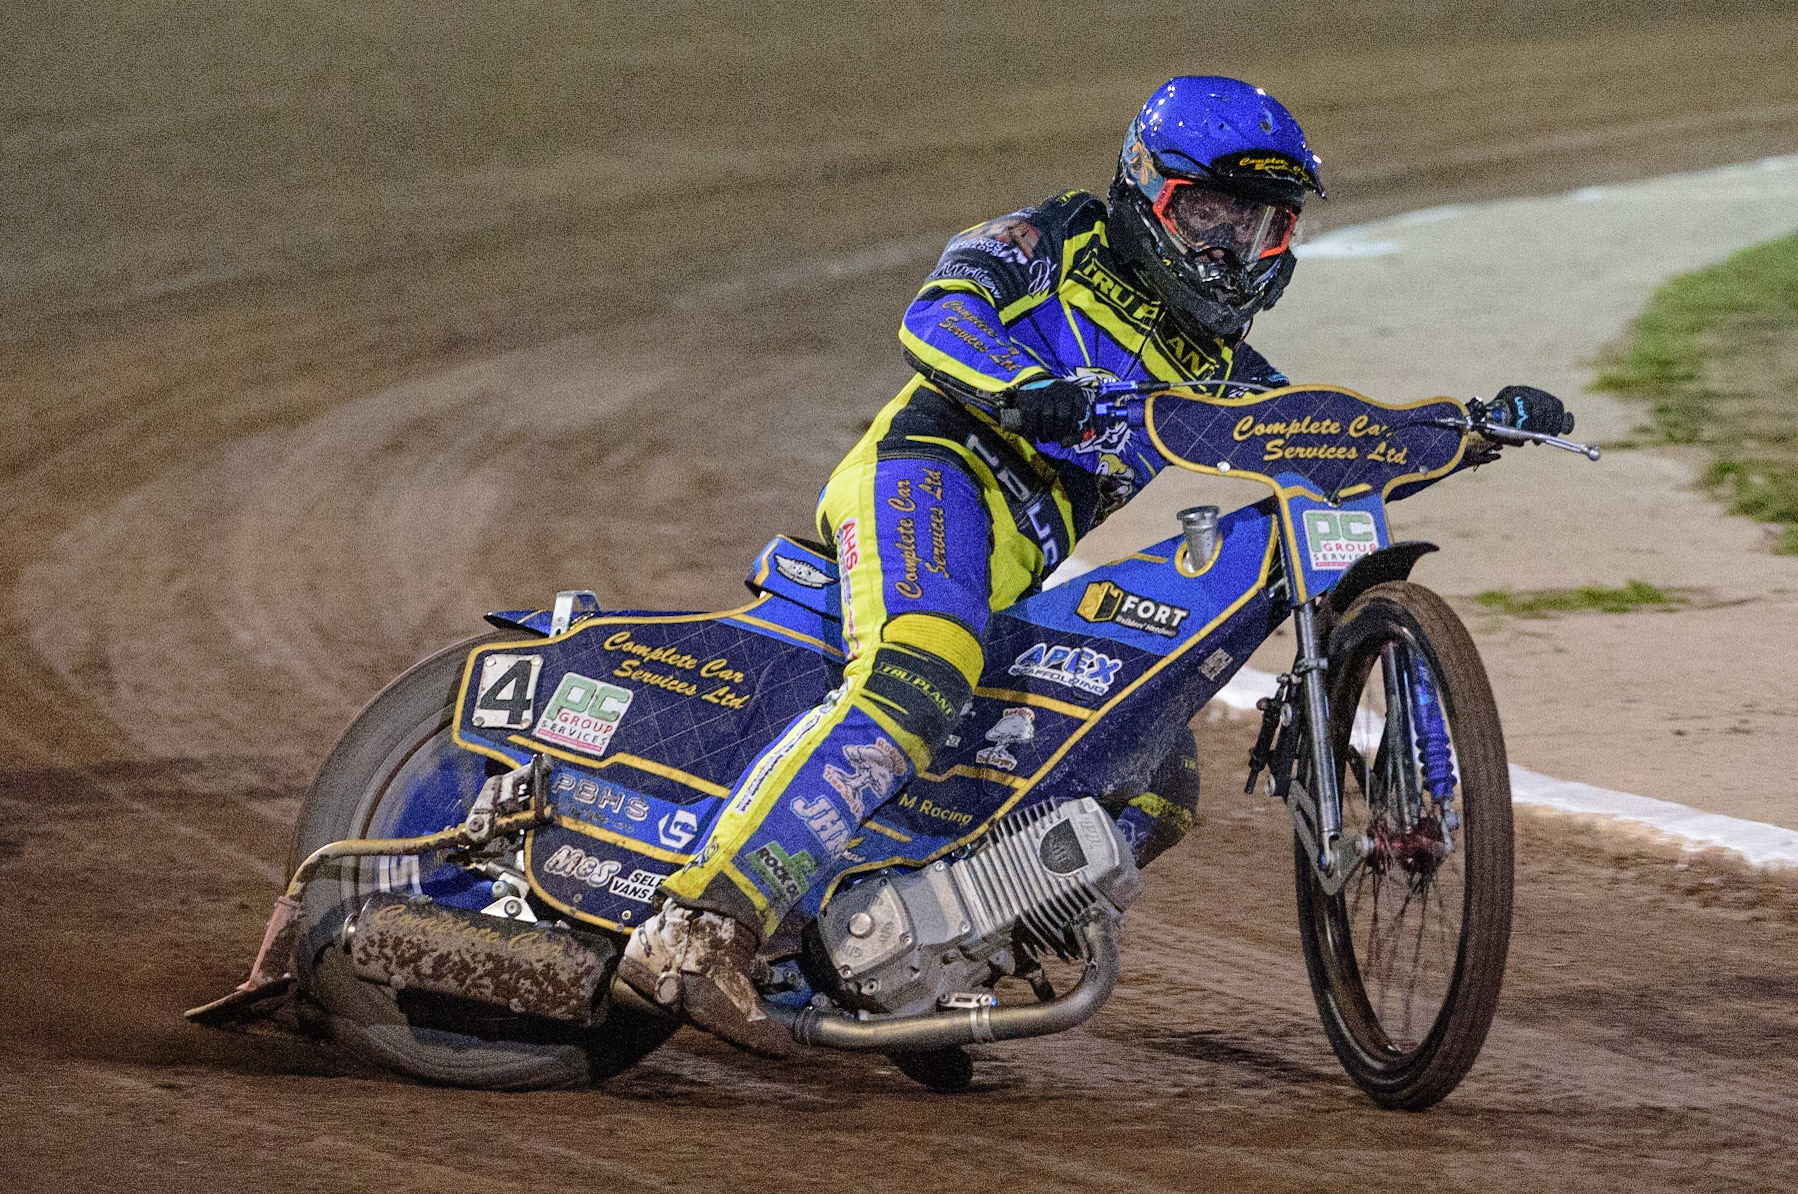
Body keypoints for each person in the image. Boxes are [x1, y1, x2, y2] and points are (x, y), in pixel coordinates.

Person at [618, 75, 1568, 1055]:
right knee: (920, 671)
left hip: (1012, 569)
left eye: (1257, 225)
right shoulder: (1047, 238)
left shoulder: (1219, 365)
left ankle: (919, 968)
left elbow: (1314, 444)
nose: (1227, 247)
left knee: (1150, 771)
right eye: (1207, 213)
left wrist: (1468, 428)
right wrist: (1022, 384)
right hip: (927, 474)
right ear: (1144, 185)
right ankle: (699, 925)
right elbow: (935, 319)